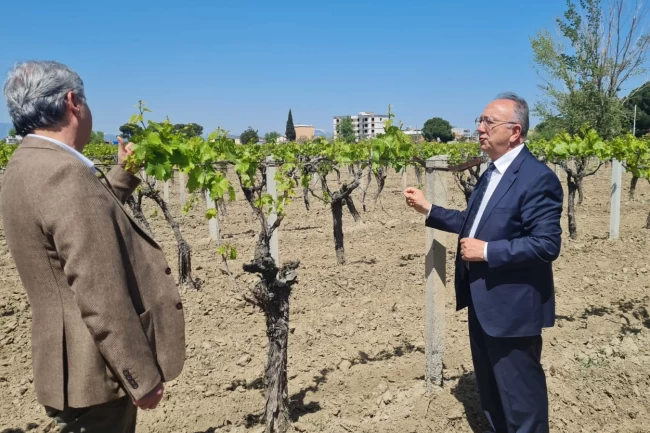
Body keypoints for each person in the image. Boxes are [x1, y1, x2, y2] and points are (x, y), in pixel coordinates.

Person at [1, 60, 186, 432]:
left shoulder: (23, 166)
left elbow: (77, 219)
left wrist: (124, 175)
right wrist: (139, 376)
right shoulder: (65, 173)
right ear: (73, 102)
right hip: (97, 370)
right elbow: (99, 290)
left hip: (68, 366)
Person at [404, 92, 563, 433]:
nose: (480, 128)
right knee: (492, 398)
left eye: (489, 122)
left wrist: (488, 251)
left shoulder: (537, 178)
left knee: (521, 403)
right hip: (483, 304)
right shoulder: (491, 173)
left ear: (515, 132)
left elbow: (547, 244)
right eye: (480, 120)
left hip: (512, 311)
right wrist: (429, 209)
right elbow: (472, 223)